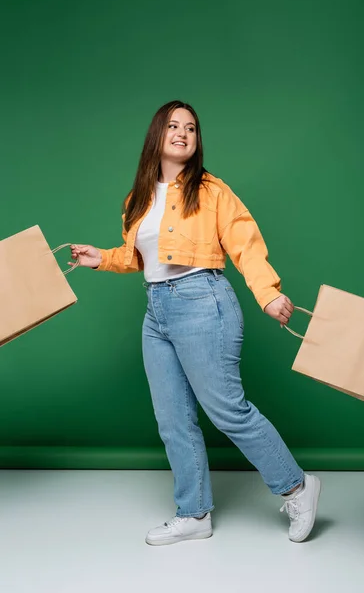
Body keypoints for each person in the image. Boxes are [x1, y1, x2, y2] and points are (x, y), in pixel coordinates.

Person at [70, 100, 321, 546]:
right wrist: (100, 258)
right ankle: (194, 513)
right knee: (173, 419)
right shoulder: (139, 198)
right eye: (173, 125)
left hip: (204, 301)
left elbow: (244, 241)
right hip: (157, 312)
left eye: (191, 127)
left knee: (227, 410)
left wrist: (267, 293)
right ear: (157, 135)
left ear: (197, 140)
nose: (183, 133)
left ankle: (298, 487)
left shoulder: (211, 191)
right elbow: (142, 257)